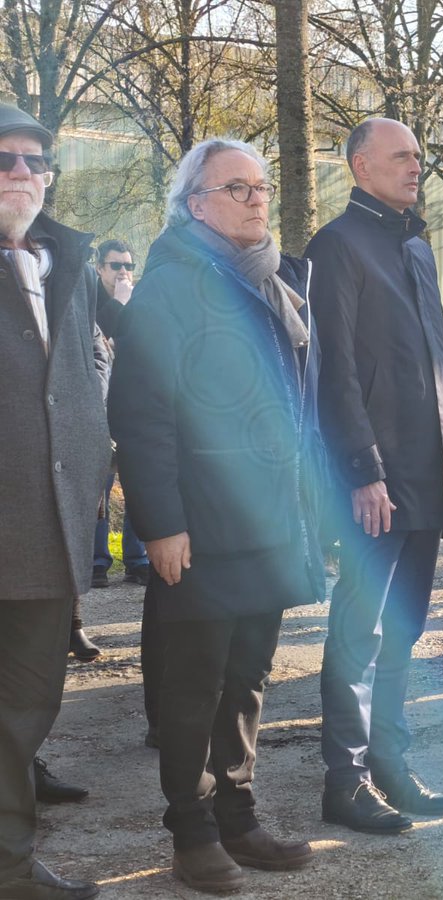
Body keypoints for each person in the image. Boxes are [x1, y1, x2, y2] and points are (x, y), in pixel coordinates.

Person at [110, 138, 321, 892]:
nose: (258, 198)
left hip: (271, 519)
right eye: (238, 188)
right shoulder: (173, 284)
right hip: (200, 526)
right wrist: (161, 524)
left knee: (248, 676)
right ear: (195, 205)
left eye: (262, 185)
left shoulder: (275, 280)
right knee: (193, 683)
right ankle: (191, 829)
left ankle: (239, 815)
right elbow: (141, 416)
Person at [306, 117, 443, 833]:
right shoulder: (337, 246)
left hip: (427, 472)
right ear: (359, 166)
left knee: (402, 629)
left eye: (420, 157)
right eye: (402, 157)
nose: (417, 167)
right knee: (359, 632)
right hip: (375, 479)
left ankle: (391, 764)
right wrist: (362, 471)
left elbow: (441, 363)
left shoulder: (414, 246)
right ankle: (343, 781)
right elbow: (335, 372)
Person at [0, 102, 110, 900]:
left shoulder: (60, 264)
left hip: (45, 532)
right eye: (6, 160)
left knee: (24, 710)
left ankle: (8, 863)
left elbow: (75, 390)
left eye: (38, 164)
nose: (25, 176)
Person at [91, 238, 150, 591]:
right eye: (116, 266)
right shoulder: (90, 298)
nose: (124, 272)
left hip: (131, 405)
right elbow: (99, 336)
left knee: (138, 481)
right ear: (100, 268)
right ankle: (97, 561)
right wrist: (119, 304)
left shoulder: (138, 300)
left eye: (128, 265)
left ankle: (137, 559)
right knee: (99, 485)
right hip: (97, 406)